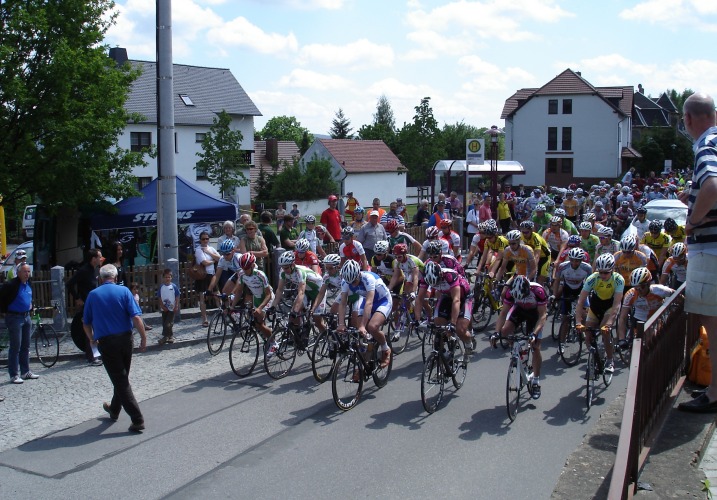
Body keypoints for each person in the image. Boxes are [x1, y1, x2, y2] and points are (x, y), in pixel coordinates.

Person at [674, 92, 717, 412]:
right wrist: (693, 195)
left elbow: (714, 187)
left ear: (689, 119)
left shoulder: (706, 144)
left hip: (711, 248)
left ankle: (715, 394)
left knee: (713, 322)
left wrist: (693, 221)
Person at [83, 264, 147, 433]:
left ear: (100, 278)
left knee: (120, 379)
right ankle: (114, 409)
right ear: (116, 278)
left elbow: (86, 322)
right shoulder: (125, 291)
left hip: (107, 342)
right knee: (121, 376)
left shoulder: (93, 295)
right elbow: (136, 317)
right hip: (126, 339)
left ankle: (137, 419)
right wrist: (143, 338)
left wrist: (91, 338)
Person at [490, 275, 548, 398]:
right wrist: (496, 333)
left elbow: (543, 316)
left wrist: (534, 333)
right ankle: (518, 351)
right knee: (504, 331)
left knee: (536, 346)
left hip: (535, 314)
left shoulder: (538, 291)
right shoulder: (510, 293)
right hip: (519, 311)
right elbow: (503, 313)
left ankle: (536, 380)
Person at [337, 259, 392, 368]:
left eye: (354, 281)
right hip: (366, 300)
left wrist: (363, 325)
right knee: (359, 333)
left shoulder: (368, 279)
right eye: (350, 282)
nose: (352, 284)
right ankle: (363, 364)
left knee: (372, 327)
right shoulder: (345, 282)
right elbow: (343, 303)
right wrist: (341, 323)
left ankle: (386, 349)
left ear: (358, 275)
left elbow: (369, 303)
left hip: (382, 300)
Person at [575, 253, 624, 374]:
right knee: (588, 336)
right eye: (600, 272)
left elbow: (617, 304)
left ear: (612, 270)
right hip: (595, 307)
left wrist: (609, 323)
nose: (602, 275)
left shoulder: (618, 280)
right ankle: (596, 358)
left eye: (606, 273)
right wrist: (577, 321)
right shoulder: (593, 278)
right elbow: (580, 301)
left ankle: (610, 360)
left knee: (604, 331)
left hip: (610, 307)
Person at [616, 267, 674, 349]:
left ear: (648, 284)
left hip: (656, 318)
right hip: (639, 319)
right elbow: (623, 318)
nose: (639, 291)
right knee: (635, 345)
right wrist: (621, 339)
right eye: (636, 288)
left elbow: (678, 295)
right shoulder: (630, 294)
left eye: (642, 287)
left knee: (652, 342)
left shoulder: (659, 290)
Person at [1, 263, 38, 384]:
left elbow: (28, 297)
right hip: (14, 317)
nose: (27, 274)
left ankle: (25, 371)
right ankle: (14, 374)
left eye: (28, 271)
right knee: (15, 346)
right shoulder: (11, 284)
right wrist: (4, 312)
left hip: (26, 316)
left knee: (26, 346)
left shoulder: (28, 283)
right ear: (18, 273)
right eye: (24, 272)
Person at [66, 248, 104, 366]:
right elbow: (70, 284)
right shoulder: (84, 270)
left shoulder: (94, 270)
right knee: (89, 331)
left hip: (94, 303)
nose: (101, 258)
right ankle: (92, 357)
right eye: (99, 257)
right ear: (93, 259)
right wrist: (77, 298)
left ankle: (96, 353)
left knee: (95, 329)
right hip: (87, 304)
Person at [194, 231, 220, 327]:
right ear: (200, 240)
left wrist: (209, 253)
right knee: (203, 298)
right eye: (203, 239)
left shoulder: (211, 248)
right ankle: (204, 318)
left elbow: (220, 258)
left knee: (217, 295)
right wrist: (214, 260)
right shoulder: (198, 250)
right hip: (203, 276)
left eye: (207, 239)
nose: (205, 240)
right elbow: (205, 263)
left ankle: (222, 313)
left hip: (212, 275)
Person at [157, 269, 180, 346]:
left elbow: (177, 296)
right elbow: (159, 297)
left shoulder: (174, 286)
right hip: (164, 308)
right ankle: (169, 336)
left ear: (171, 277)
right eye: (166, 277)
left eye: (169, 277)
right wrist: (162, 306)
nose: (167, 278)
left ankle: (166, 337)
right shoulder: (161, 287)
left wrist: (176, 305)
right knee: (164, 322)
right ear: (163, 278)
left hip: (171, 308)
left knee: (168, 323)